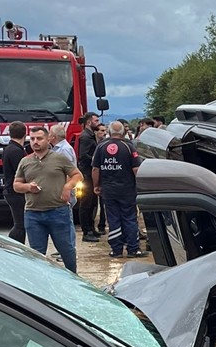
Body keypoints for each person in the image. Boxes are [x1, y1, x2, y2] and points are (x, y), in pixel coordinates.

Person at [13, 126, 82, 272]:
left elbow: (77, 175)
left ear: (48, 139)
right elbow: (16, 185)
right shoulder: (25, 162)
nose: (35, 142)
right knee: (37, 254)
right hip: (33, 214)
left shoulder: (59, 158)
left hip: (58, 211)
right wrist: (28, 187)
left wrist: (67, 187)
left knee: (66, 249)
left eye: (39, 138)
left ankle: (73, 278)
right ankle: (41, 284)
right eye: (32, 139)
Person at [92, 122, 145, 258]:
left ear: (109, 131)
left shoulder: (101, 147)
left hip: (108, 190)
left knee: (113, 218)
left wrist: (96, 185)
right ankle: (133, 249)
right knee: (130, 218)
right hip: (127, 190)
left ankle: (116, 250)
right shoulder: (129, 147)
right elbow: (136, 169)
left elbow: (95, 169)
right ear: (123, 132)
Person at [1, 121, 28, 244]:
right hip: (15, 192)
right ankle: (12, 247)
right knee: (20, 225)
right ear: (25, 133)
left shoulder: (9, 148)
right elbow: (22, 171)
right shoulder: (16, 151)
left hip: (10, 190)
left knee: (20, 224)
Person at [76, 111, 100, 242]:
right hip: (86, 173)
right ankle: (86, 230)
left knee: (92, 203)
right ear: (89, 122)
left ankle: (91, 227)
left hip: (90, 172)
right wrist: (96, 160)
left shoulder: (90, 136)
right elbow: (83, 155)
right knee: (86, 203)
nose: (98, 123)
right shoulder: (85, 137)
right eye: (96, 121)